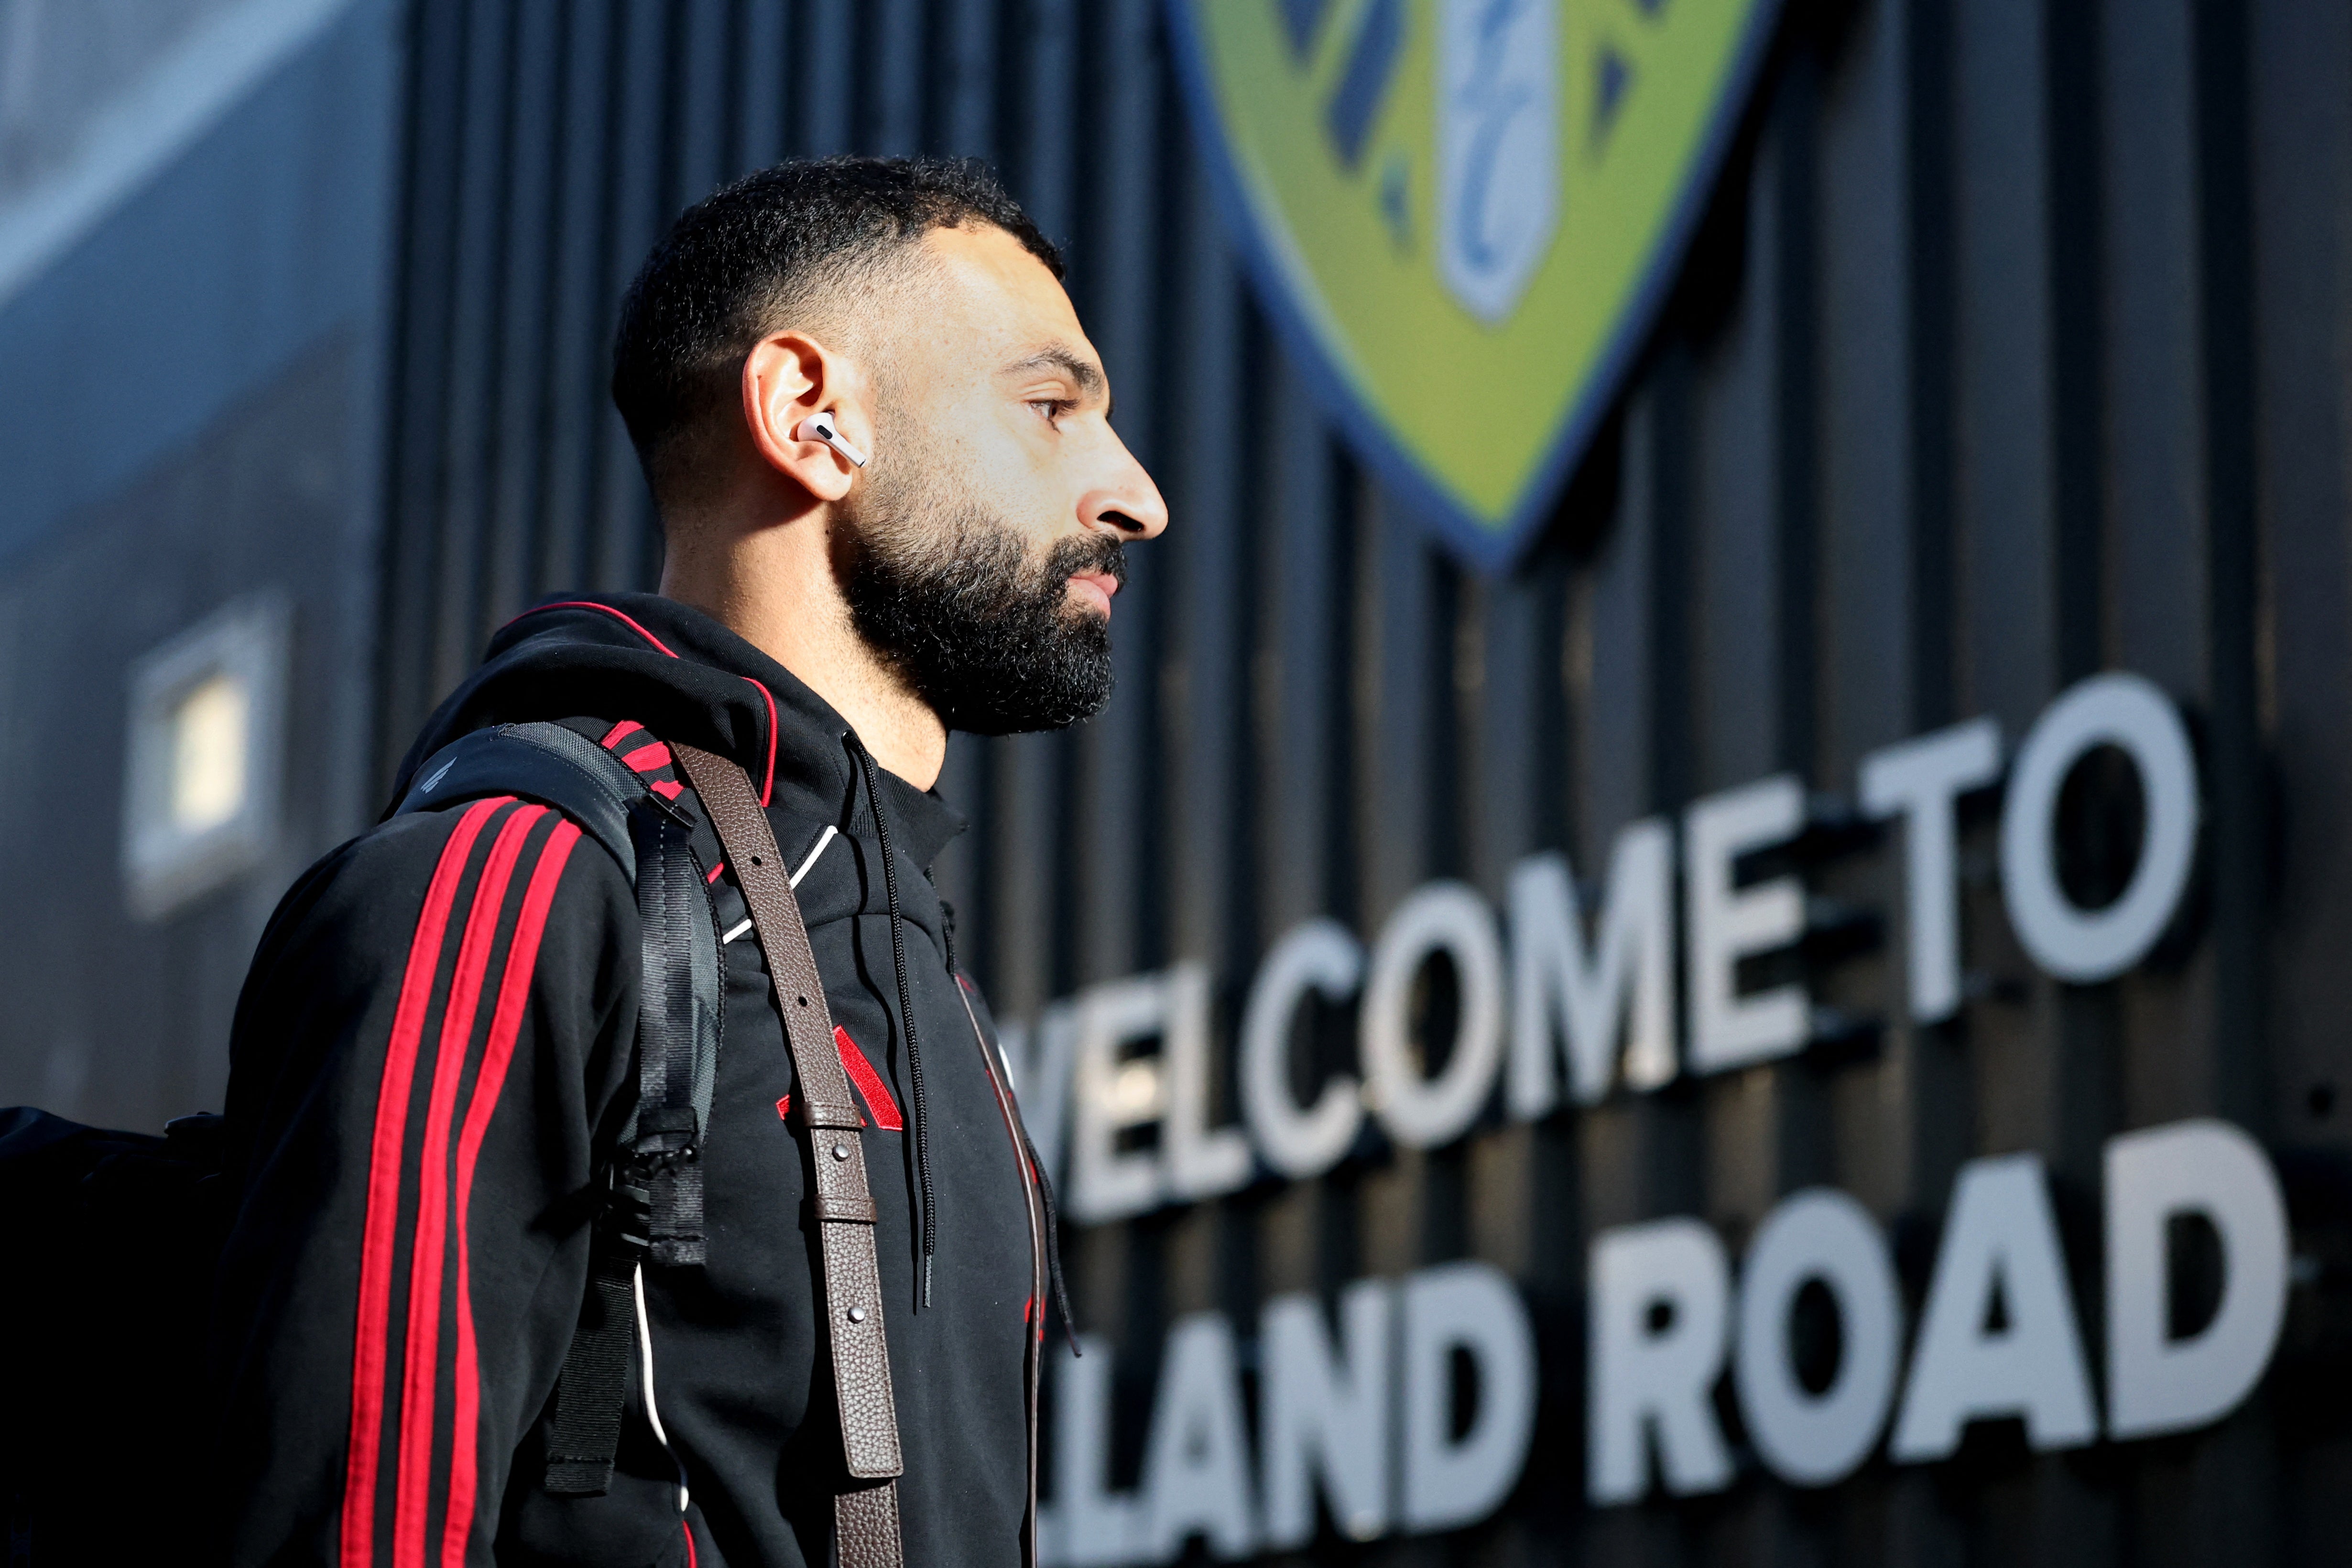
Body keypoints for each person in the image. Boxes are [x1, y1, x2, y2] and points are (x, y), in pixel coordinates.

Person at [209, 155, 1167, 1568]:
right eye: (1052, 406)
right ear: (811, 415)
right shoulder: (523, 883)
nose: (1133, 491)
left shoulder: (910, 963)